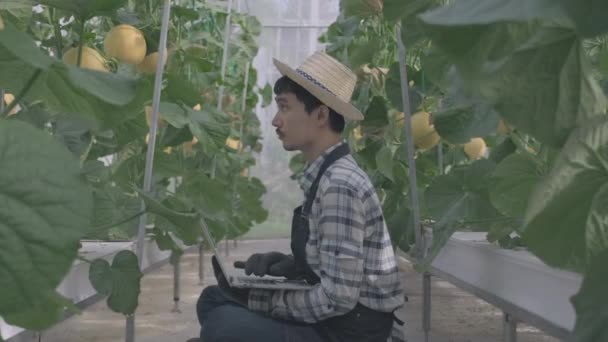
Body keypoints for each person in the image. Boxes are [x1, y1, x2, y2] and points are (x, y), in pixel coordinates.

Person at [193, 51, 406, 342]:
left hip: (351, 331)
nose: (276, 121)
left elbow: (338, 298)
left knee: (222, 326)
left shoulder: (339, 185)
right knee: (213, 300)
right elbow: (336, 264)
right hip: (339, 320)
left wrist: (267, 301)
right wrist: (291, 265)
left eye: (284, 108)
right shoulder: (326, 174)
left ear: (320, 115)